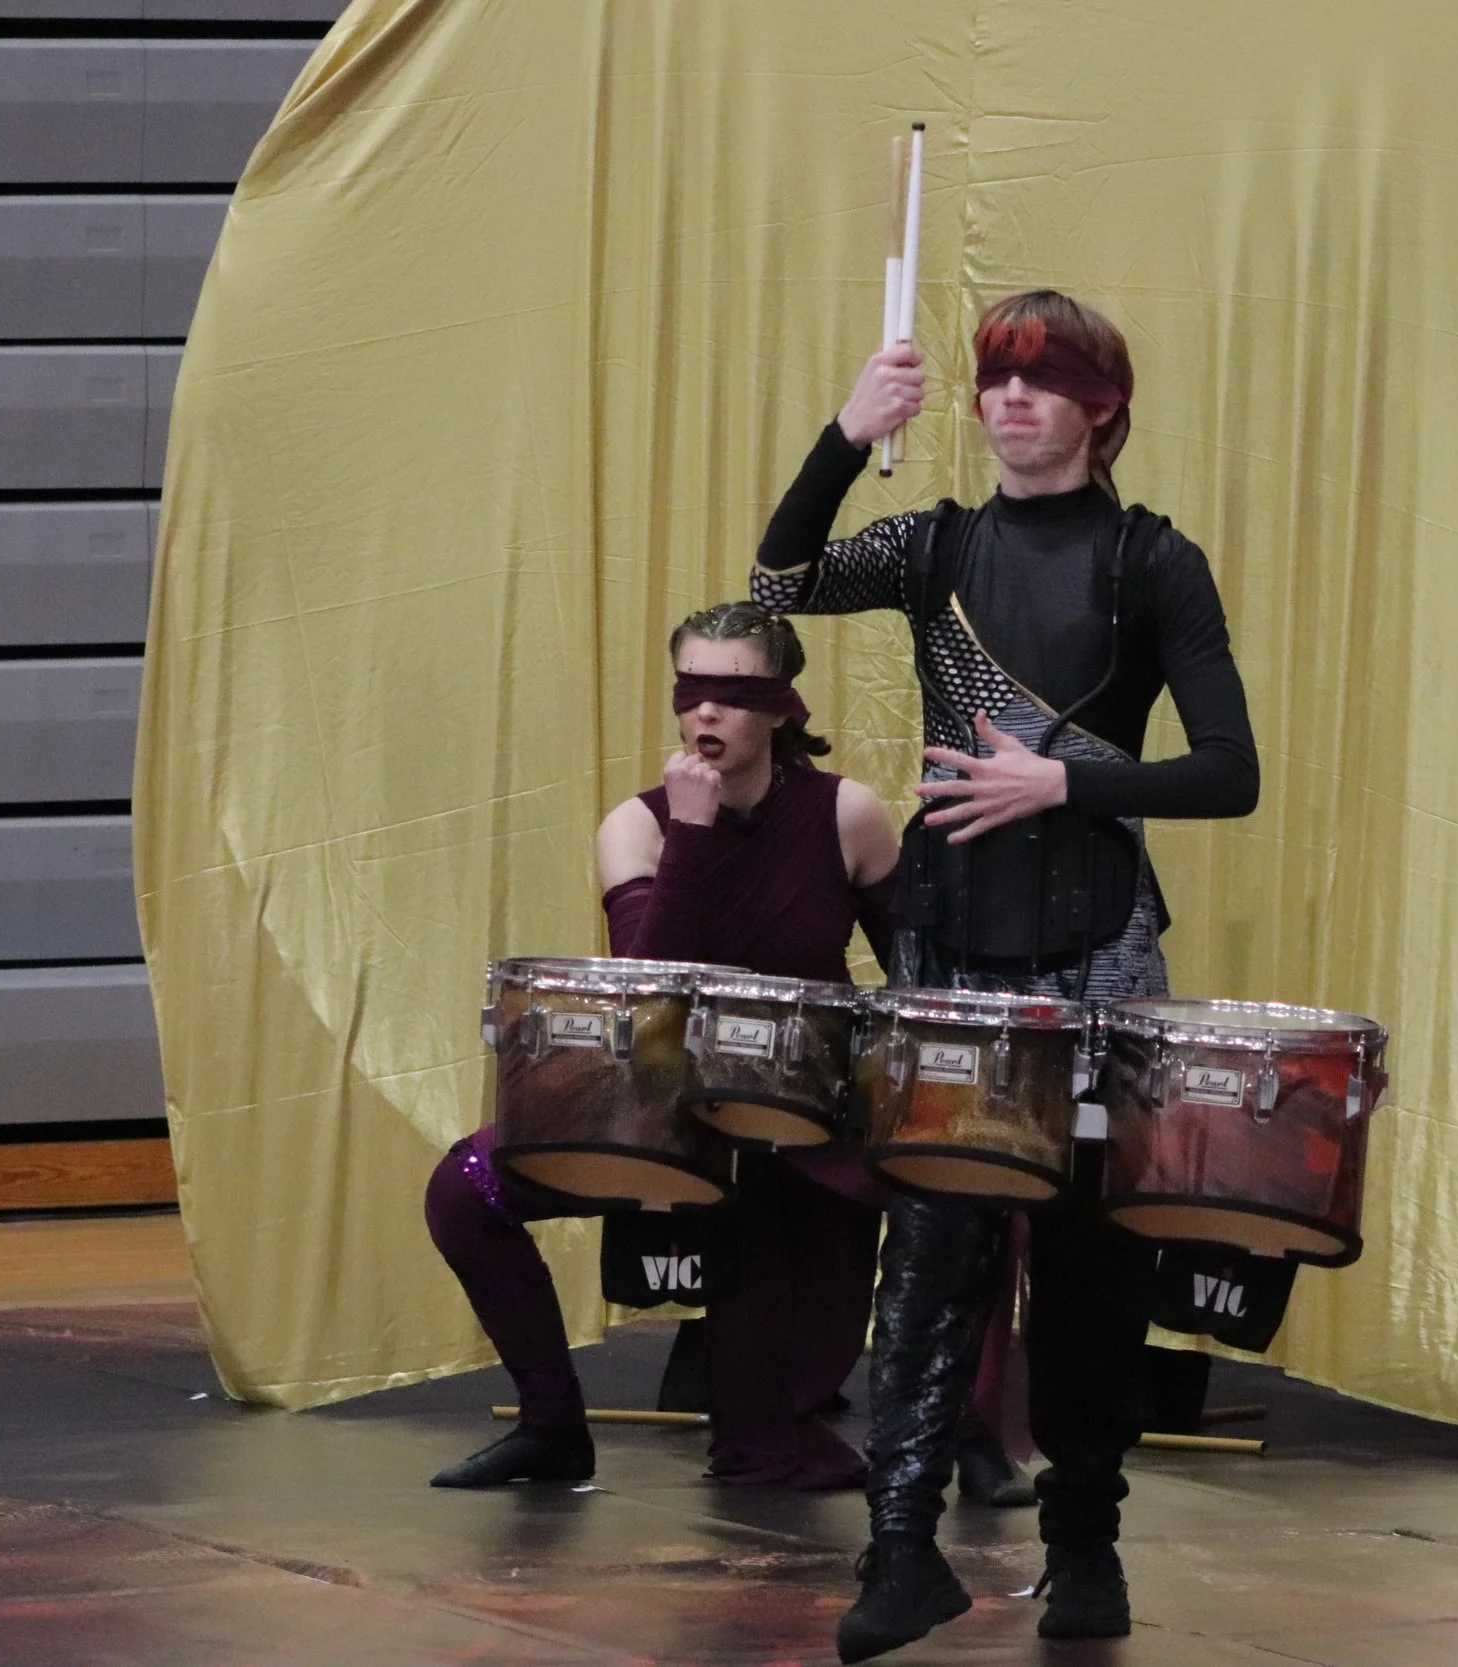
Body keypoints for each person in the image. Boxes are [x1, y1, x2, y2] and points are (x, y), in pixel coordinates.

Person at [751, 289, 1259, 1659]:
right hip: (953, 945)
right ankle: (902, 1548)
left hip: (1097, 952)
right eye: (993, 379)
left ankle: (1085, 1540)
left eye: (1045, 380)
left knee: (1090, 1264)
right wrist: (848, 434)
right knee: (930, 1254)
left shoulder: (1155, 562)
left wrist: (1065, 777)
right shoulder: (937, 545)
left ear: (1103, 406)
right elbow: (775, 586)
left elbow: (1231, 770)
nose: (1010, 400)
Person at [423, 603, 906, 1491]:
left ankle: (862, 1413)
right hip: (657, 1105)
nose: (706, 714)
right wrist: (693, 830)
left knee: (761, 1452)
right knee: (465, 1190)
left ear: (782, 706)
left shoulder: (848, 815)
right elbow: (648, 992)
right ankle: (551, 1421)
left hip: (787, 1125)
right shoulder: (638, 826)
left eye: (732, 693)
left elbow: (914, 975)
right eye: (692, 692)